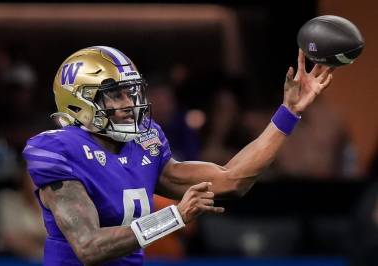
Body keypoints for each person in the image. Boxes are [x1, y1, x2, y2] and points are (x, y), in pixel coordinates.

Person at [22, 46, 333, 265]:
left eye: (131, 92)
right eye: (115, 94)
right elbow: (88, 247)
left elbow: (231, 180)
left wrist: (288, 113)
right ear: (80, 103)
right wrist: (174, 217)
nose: (129, 102)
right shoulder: (58, 150)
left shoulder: (144, 143)